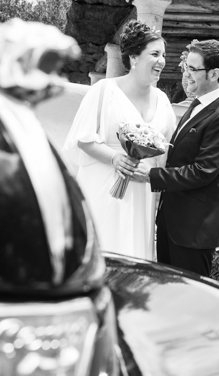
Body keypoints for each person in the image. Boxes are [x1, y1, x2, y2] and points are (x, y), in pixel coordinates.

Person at [63, 20, 176, 259]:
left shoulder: (163, 100)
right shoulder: (104, 91)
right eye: (154, 54)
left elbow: (165, 148)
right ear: (134, 58)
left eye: (164, 55)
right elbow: (83, 139)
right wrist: (115, 158)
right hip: (104, 184)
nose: (162, 61)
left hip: (140, 191)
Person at [133, 38, 219, 277]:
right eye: (186, 67)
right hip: (173, 223)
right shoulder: (197, 105)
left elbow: (203, 171)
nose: (186, 74)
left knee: (189, 305)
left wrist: (152, 176)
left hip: (194, 230)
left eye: (193, 69)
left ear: (214, 74)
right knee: (169, 295)